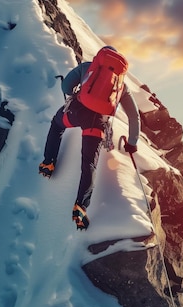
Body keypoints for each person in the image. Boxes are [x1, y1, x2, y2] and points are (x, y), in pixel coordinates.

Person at [39, 46, 140, 230]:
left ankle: (48, 163)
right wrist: (132, 143)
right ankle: (81, 206)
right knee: (89, 164)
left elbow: (66, 86)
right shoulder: (121, 85)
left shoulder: (88, 67)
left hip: (77, 112)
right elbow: (134, 116)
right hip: (97, 123)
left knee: (56, 125)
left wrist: (76, 94)